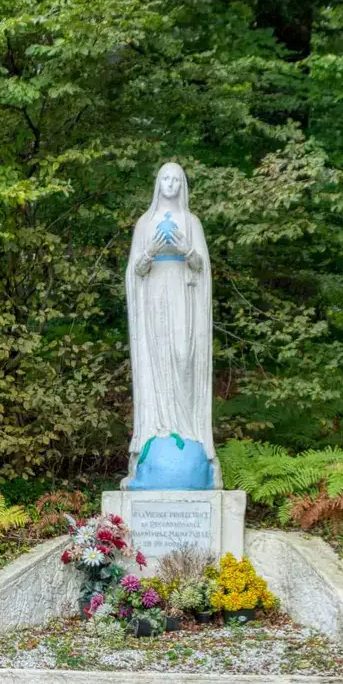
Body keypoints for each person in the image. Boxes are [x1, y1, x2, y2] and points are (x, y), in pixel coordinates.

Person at [123, 162, 222, 490]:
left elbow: (202, 268)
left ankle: (190, 432)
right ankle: (158, 430)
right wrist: (149, 252)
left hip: (183, 296)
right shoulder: (145, 223)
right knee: (159, 361)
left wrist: (186, 249)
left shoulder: (192, 223)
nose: (170, 184)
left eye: (175, 179)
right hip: (154, 299)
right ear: (157, 184)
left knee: (184, 358)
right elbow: (135, 271)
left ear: (183, 185)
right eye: (164, 178)